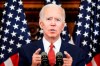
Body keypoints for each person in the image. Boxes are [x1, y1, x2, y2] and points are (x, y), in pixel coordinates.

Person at [18, 4, 86, 66]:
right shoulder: (26, 51)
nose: (53, 23)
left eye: (57, 20)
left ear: (62, 26)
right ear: (41, 24)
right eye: (48, 19)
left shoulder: (77, 53)